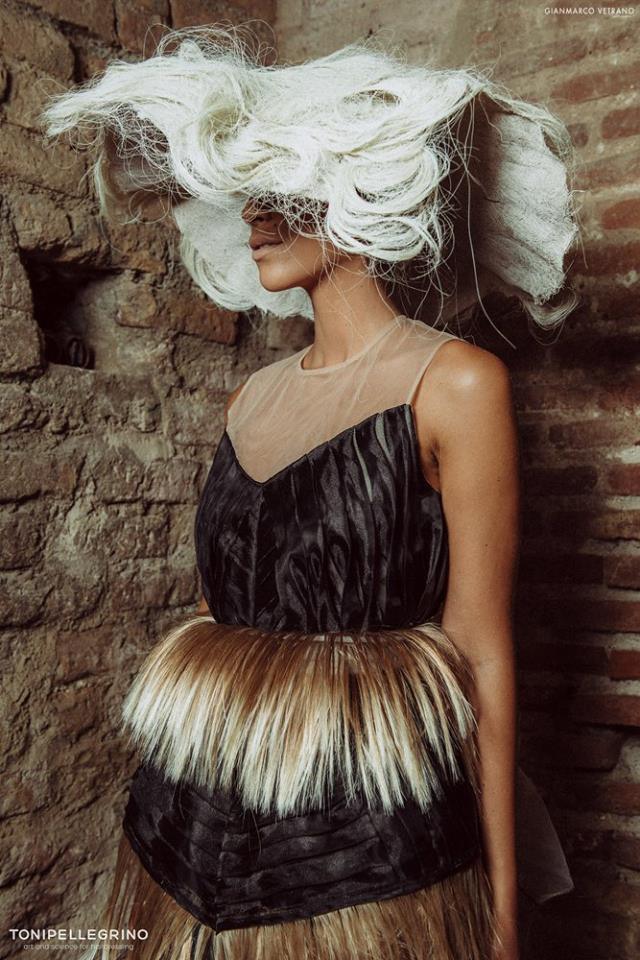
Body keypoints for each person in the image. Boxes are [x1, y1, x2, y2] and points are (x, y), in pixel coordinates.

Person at [41, 26, 578, 960]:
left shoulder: (456, 384)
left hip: (367, 858)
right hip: (185, 832)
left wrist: (501, 905)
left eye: (281, 186)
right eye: (247, 190)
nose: (254, 214)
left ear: (357, 187)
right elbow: (215, 612)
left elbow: (481, 651)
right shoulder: (251, 397)